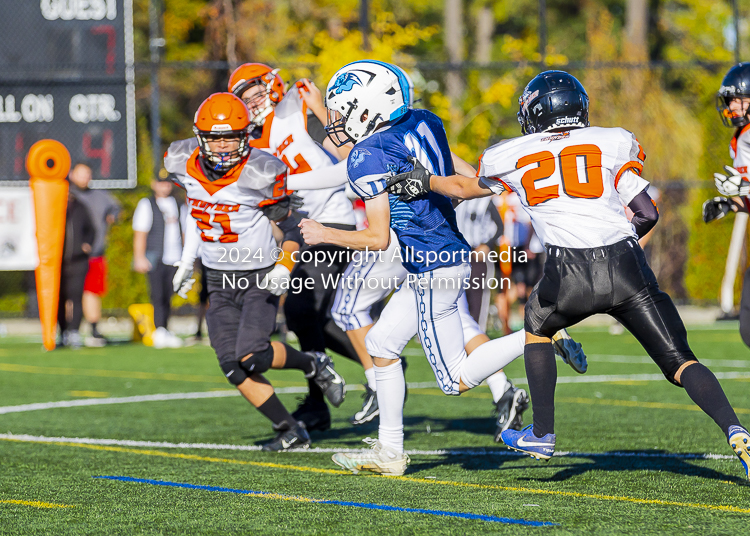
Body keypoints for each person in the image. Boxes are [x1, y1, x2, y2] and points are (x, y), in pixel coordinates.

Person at [387, 70, 750, 479]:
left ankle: (542, 433)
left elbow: (463, 188)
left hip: (569, 274)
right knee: (682, 362)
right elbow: (648, 212)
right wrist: (620, 247)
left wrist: (425, 181)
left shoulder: (511, 153)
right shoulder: (612, 141)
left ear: (536, 113)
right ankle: (736, 430)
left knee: (536, 325)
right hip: (628, 266)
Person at [300, 61, 585, 476]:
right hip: (443, 257)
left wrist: (326, 233)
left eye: (344, 112)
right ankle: (389, 451)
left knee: (454, 380)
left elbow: (377, 238)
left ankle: (542, 334)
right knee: (380, 343)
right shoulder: (423, 120)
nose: (338, 122)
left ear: (368, 109)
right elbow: (456, 170)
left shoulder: (367, 153)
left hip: (433, 265)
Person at [167, 92, 345, 451]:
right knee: (232, 366)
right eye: (214, 137)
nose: (221, 146)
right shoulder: (181, 160)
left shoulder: (260, 170)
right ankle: (290, 429)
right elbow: (196, 212)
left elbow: (294, 228)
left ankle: (313, 363)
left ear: (246, 135)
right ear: (200, 137)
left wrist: (284, 265)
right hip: (217, 279)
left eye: (230, 136)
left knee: (253, 354)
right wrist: (188, 258)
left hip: (257, 276)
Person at [225, 63, 361, 432]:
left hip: (333, 219)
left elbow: (347, 147)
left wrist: (322, 110)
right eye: (243, 96)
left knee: (301, 308)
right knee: (317, 319)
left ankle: (374, 369)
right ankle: (369, 366)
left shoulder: (296, 106)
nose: (251, 101)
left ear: (271, 85)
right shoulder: (248, 141)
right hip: (299, 231)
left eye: (254, 91)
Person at [703, 63, 750, 347]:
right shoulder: (741, 137)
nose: (731, 105)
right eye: (729, 99)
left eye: (737, 98)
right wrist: (732, 204)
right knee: (747, 329)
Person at [68, 162, 121, 347]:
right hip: (71, 256)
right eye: (81, 174)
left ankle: (93, 330)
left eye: (88, 174)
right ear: (72, 174)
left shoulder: (100, 196)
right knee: (70, 294)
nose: (85, 178)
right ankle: (69, 330)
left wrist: (113, 216)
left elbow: (116, 207)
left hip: (95, 253)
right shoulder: (67, 196)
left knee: (92, 292)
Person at [132, 177, 184, 349]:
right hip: (155, 257)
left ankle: (165, 328)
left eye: (168, 183)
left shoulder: (178, 204)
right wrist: (139, 257)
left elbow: (184, 231)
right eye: (161, 183)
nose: (165, 187)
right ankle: (159, 329)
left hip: (174, 257)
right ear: (154, 184)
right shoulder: (147, 204)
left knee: (169, 294)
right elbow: (140, 232)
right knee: (157, 294)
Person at [58, 191, 95, 349]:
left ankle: (74, 332)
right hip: (58, 263)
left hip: (78, 261)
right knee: (60, 299)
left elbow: (91, 229)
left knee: (76, 297)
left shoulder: (80, 207)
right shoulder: (54, 207)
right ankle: (62, 331)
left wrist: (86, 243)